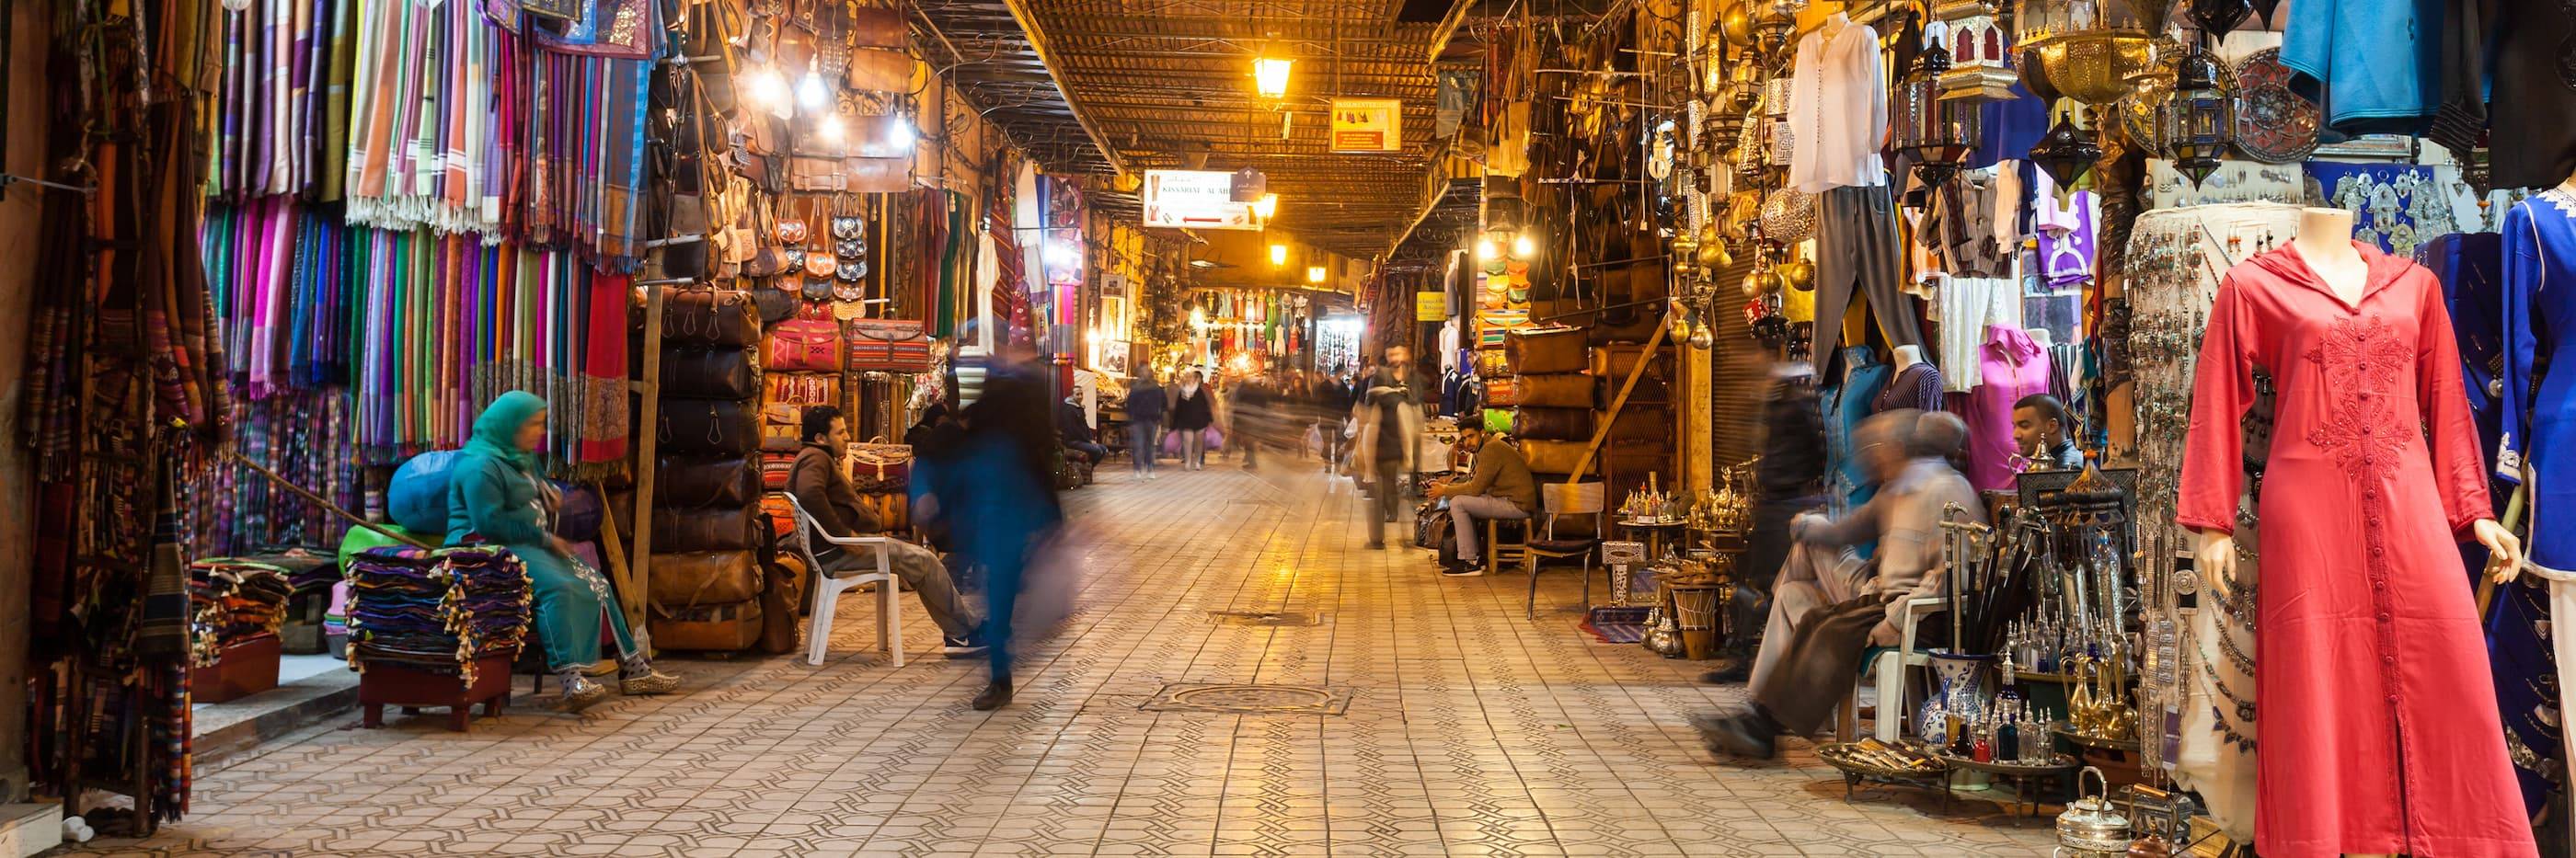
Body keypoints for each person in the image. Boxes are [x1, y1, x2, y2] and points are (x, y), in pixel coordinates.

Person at [1694, 410, 1985, 760]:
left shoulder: (1946, 489)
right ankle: (1761, 720)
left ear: (1896, 447)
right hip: (1882, 598)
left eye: (1875, 448)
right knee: (1815, 620)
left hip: (1914, 614)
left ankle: (1763, 727)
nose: (1869, 458)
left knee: (1830, 631)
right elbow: (1846, 531)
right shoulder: (1898, 488)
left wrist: (1894, 622)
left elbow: (1953, 575)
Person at [444, 391, 675, 712]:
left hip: (525, 543)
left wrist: (548, 494)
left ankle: (633, 669)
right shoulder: (481, 467)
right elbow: (491, 522)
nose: (539, 433)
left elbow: (536, 485)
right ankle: (571, 678)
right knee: (560, 588)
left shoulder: (519, 456)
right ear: (510, 426)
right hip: (487, 548)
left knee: (597, 583)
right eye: (533, 425)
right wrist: (545, 539)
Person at [790, 406, 986, 656]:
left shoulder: (812, 457)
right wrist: (843, 535)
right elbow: (810, 494)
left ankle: (961, 630)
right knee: (926, 561)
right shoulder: (815, 458)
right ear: (820, 439)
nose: (848, 438)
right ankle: (964, 632)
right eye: (840, 433)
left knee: (922, 561)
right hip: (839, 550)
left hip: (840, 547)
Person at [944, 340, 1065, 711]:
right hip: (1007, 520)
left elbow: (963, 443)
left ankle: (1001, 673)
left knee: (1000, 597)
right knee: (1004, 597)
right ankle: (1002, 665)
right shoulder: (1026, 425)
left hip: (1001, 522)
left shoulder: (997, 423)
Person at [1425, 425, 1538, 577]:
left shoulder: (1490, 449)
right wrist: (1446, 485)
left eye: (1471, 436)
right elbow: (1477, 485)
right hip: (1507, 499)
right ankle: (1474, 559)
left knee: (1458, 503)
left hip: (1517, 504)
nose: (1467, 443)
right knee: (1460, 500)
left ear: (1482, 432)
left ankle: (1470, 562)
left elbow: (1475, 489)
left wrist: (1445, 490)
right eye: (1464, 438)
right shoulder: (1487, 447)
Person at [1351, 345, 1425, 550]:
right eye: (1391, 353)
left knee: (1397, 490)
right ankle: (1383, 537)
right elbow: (1369, 417)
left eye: (1399, 353)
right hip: (1386, 444)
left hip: (1402, 443)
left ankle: (1399, 535)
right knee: (1385, 490)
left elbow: (1416, 411)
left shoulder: (1413, 379)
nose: (1395, 357)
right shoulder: (1380, 381)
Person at [2010, 393, 2085, 472]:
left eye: (2024, 426)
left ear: (2052, 426)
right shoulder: (2059, 461)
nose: (2016, 435)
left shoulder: (2065, 469)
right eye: (2015, 426)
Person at [1168, 370, 1217, 471]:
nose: (1189, 379)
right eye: (1187, 377)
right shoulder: (1182, 392)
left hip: (1200, 420)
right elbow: (1178, 407)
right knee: (1188, 440)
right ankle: (1188, 461)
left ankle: (1198, 460)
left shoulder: (1200, 391)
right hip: (1186, 420)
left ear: (1195, 379)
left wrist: (1209, 419)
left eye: (1191, 377)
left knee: (1198, 442)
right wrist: (1175, 422)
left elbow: (1206, 405)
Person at [1122, 374, 1167, 479]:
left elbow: (1164, 404)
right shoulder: (1137, 389)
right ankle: (1139, 468)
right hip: (1139, 420)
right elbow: (1130, 404)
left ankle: (1149, 467)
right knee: (1139, 444)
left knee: (1149, 445)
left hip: (1151, 420)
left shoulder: (1157, 389)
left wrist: (1159, 416)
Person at [1057, 395, 1108, 468]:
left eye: (1081, 394)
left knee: (1104, 449)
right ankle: (1088, 467)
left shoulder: (1079, 408)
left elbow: (1085, 426)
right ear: (1072, 395)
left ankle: (1089, 468)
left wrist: (1091, 439)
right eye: (1077, 394)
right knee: (1097, 450)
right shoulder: (1068, 409)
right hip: (1073, 441)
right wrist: (1088, 441)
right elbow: (1075, 431)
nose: (1080, 396)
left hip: (1082, 440)